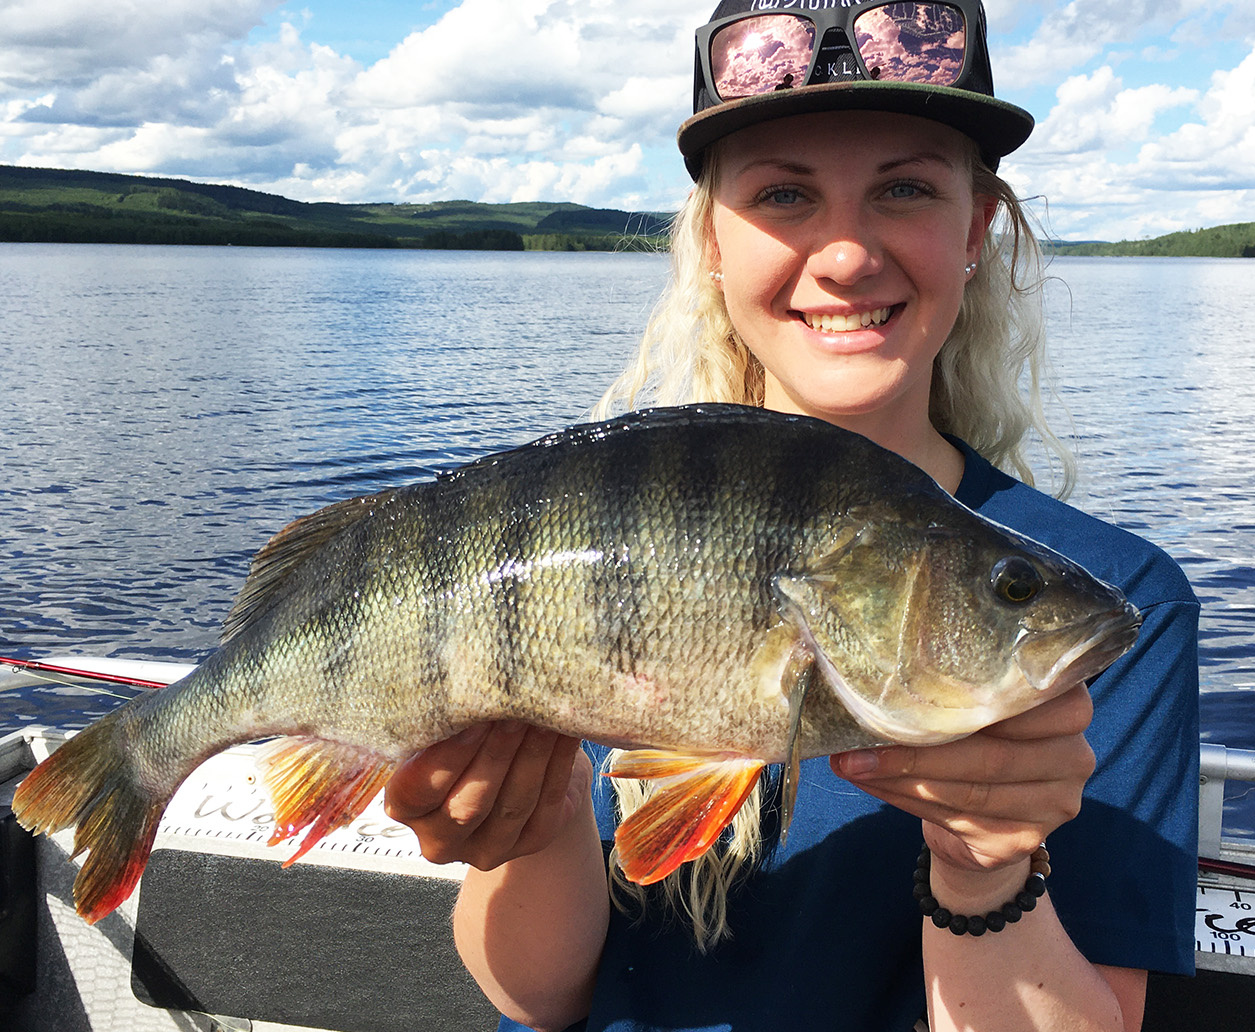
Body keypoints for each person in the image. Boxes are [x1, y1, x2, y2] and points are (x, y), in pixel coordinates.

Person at [382, 2, 1201, 1030]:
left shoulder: (1109, 607)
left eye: (904, 188)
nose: (846, 255)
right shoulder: (607, 536)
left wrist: (986, 873)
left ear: (976, 230)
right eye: (783, 195)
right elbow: (540, 997)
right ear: (712, 242)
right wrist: (535, 823)